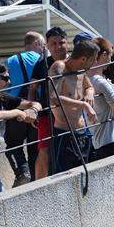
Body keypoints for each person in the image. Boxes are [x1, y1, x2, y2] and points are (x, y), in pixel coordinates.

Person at [0, 60, 40, 196]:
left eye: (9, 77)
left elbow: (33, 103)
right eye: (4, 78)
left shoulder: (2, 99)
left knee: (0, 199)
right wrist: (17, 112)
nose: (9, 82)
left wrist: (33, 110)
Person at [47, 40, 99, 173]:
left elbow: (90, 87)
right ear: (83, 58)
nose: (94, 64)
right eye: (92, 60)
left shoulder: (81, 70)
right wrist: (83, 104)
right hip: (64, 134)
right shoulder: (59, 67)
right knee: (63, 177)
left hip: (83, 133)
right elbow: (53, 97)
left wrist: (89, 94)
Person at [3, 32, 45, 186]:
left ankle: (22, 171)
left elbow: (7, 84)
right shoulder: (42, 60)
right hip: (37, 110)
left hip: (17, 108)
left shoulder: (11, 60)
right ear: (36, 43)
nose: (43, 49)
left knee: (13, 144)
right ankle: (34, 179)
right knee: (35, 147)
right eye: (42, 45)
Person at [30, 26, 70, 179]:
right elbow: (32, 89)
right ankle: (40, 186)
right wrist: (34, 111)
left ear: (67, 44)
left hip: (72, 114)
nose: (58, 46)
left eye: (61, 42)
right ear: (47, 46)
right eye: (53, 43)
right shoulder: (42, 64)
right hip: (47, 114)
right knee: (44, 149)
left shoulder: (75, 62)